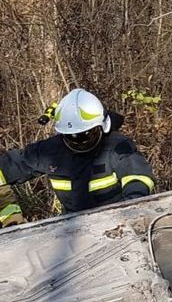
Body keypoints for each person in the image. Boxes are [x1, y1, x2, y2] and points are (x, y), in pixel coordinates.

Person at [0, 88, 155, 216]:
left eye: (87, 136)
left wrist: (133, 209)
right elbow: (14, 164)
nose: (80, 142)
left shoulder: (117, 146)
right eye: (73, 138)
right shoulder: (51, 151)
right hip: (72, 231)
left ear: (102, 127)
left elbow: (137, 177)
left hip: (116, 222)